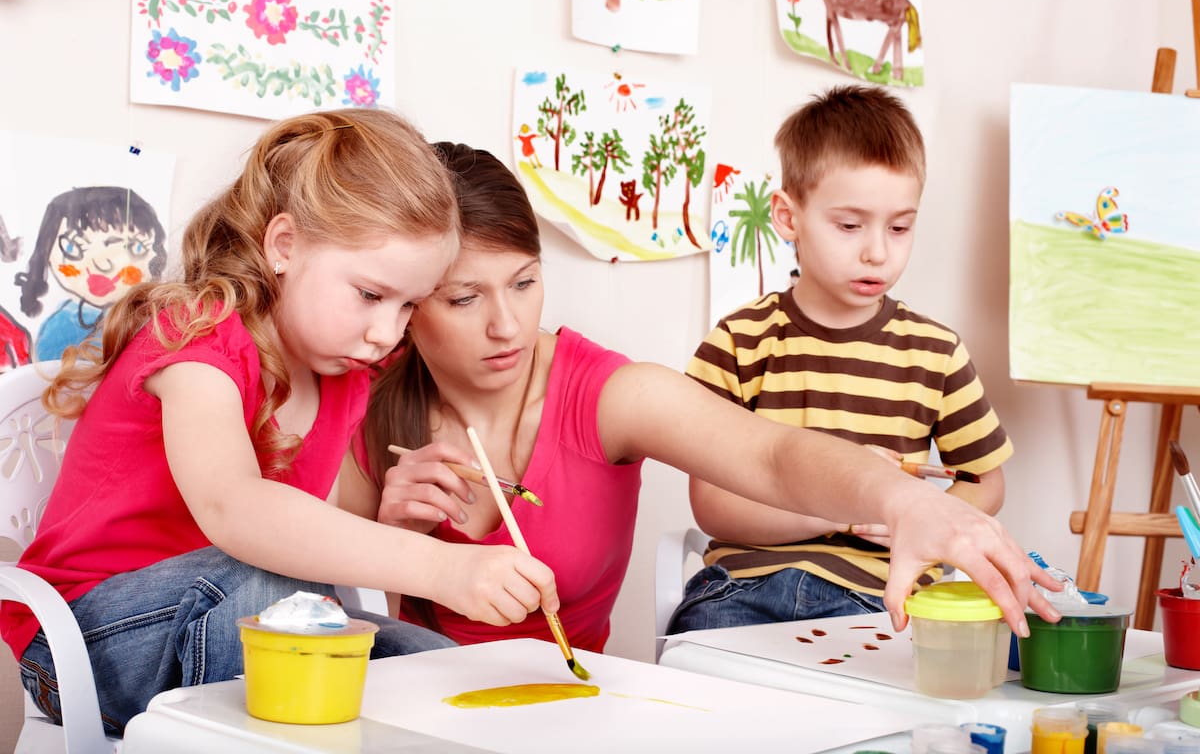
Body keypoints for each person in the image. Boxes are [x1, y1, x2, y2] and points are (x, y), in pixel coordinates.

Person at [341, 141, 1059, 657]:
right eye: (464, 298)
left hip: (565, 710)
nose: (507, 325)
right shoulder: (365, 396)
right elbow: (302, 582)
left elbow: (772, 454)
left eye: (525, 282)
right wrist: (382, 528)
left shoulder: (606, 393)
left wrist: (904, 502)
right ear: (408, 303)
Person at [0, 109, 561, 735]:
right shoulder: (197, 338)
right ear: (284, 246)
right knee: (259, 587)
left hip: (243, 618)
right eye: (371, 295)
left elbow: (314, 544)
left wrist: (398, 539)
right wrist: (441, 567)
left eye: (409, 305)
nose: (387, 332)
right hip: (82, 643)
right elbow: (237, 510)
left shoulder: (347, 373)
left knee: (440, 670)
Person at [667, 84, 1014, 635]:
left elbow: (986, 483)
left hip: (881, 596)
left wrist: (917, 513)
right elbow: (711, 504)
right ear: (787, 216)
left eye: (900, 227)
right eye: (850, 226)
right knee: (708, 680)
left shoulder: (937, 351)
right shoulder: (739, 341)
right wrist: (844, 506)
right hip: (745, 587)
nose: (877, 250)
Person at [14, 185, 168, 361]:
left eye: (134, 247)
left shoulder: (150, 325)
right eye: (74, 248)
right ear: (47, 254)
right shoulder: (60, 324)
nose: (102, 264)